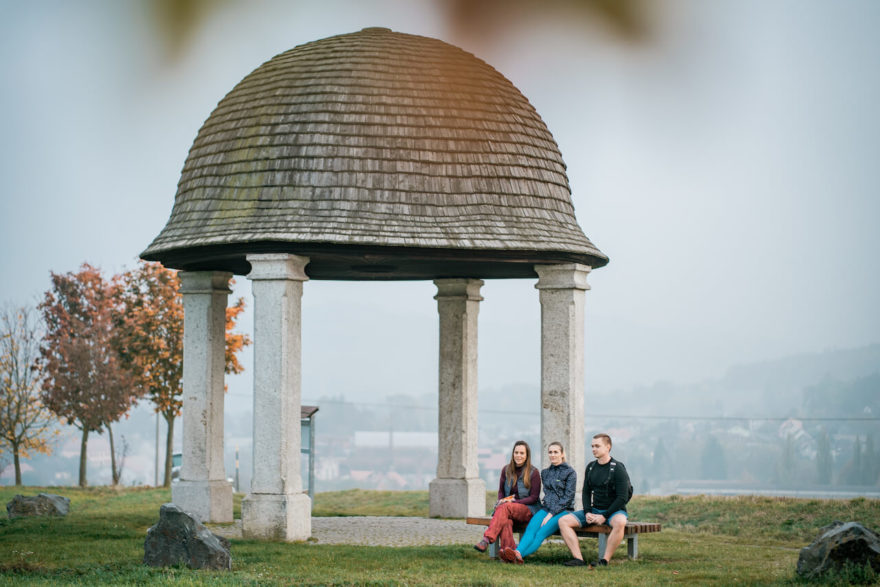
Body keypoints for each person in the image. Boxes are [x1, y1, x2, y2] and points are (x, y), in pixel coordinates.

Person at [558, 433, 631, 568]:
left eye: (597, 446)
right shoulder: (591, 467)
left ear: (608, 447)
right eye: (592, 446)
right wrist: (587, 512)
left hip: (614, 511)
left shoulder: (618, 468)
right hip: (594, 510)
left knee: (620, 522)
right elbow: (586, 492)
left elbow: (622, 497)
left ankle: (604, 561)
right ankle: (578, 559)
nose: (593, 449)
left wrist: (604, 516)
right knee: (563, 521)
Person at [499, 441, 577, 564]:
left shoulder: (570, 473)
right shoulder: (545, 473)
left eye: (556, 452)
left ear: (562, 454)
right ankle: (517, 554)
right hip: (545, 509)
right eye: (550, 452)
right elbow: (548, 495)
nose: (553, 455)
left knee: (540, 533)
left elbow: (568, 498)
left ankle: (516, 554)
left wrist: (551, 514)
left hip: (563, 511)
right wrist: (547, 512)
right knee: (530, 529)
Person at [473, 440, 542, 554]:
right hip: (508, 510)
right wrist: (501, 500)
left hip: (529, 509)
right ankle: (509, 552)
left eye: (521, 453)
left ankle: (487, 539)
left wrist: (514, 503)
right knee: (506, 521)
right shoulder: (506, 470)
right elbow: (501, 491)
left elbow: (534, 498)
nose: (518, 456)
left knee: (505, 508)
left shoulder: (533, 472)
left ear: (527, 456)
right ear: (513, 454)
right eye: (516, 452)